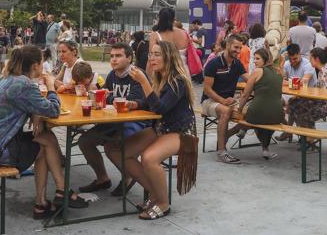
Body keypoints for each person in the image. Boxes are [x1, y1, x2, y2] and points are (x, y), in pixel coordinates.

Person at [0, 46, 88, 218]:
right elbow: (53, 110)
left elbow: (23, 104)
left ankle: (43, 202)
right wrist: (51, 87)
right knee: (46, 142)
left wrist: (35, 112)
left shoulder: (7, 78)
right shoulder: (24, 84)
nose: (43, 65)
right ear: (35, 65)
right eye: (42, 62)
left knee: (45, 139)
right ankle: (60, 192)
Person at [110, 40, 196, 220]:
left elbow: (160, 108)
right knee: (117, 151)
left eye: (157, 54)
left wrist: (143, 82)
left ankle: (163, 203)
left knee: (149, 158)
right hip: (161, 128)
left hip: (180, 131)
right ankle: (154, 192)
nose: (152, 58)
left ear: (169, 57)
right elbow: (152, 103)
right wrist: (136, 103)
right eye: (151, 54)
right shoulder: (159, 77)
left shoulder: (177, 81)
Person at [78, 43, 148, 196]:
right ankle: (102, 178)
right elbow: (107, 98)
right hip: (114, 121)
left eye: (118, 56)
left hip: (136, 123)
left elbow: (131, 102)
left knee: (111, 147)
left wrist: (109, 98)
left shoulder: (137, 75)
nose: (114, 60)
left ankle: (129, 176)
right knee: (84, 141)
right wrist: (103, 99)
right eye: (112, 56)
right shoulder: (112, 74)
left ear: (129, 58)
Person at [201, 34, 249, 164]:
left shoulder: (237, 63)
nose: (238, 51)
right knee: (225, 111)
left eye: (240, 48)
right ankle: (222, 152)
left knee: (253, 112)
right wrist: (222, 101)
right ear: (228, 45)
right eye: (236, 47)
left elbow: (249, 80)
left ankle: (227, 134)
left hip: (229, 101)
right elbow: (207, 90)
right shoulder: (213, 63)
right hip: (209, 101)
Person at [237, 48, 283, 159]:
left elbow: (245, 95)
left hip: (256, 113)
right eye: (254, 58)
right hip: (278, 115)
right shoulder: (279, 72)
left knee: (253, 111)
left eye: (257, 58)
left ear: (265, 59)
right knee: (267, 118)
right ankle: (265, 149)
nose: (254, 61)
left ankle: (244, 127)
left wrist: (239, 109)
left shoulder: (257, 71)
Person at [291, 47, 327, 133]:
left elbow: (324, 94)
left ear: (316, 59)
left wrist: (308, 95)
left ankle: (308, 138)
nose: (309, 61)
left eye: (311, 58)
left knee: (299, 109)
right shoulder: (323, 70)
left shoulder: (325, 72)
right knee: (295, 104)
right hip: (325, 103)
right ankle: (307, 137)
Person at [150, 8, 191, 76]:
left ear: (159, 18)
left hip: (163, 73)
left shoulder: (155, 35)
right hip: (183, 71)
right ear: (174, 18)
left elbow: (151, 58)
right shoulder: (184, 33)